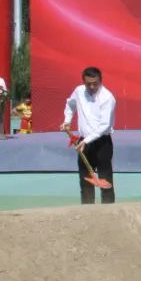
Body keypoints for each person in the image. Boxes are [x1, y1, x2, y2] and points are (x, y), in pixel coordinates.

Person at [60, 67, 116, 204]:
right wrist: (67, 121)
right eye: (88, 84)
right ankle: (87, 210)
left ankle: (108, 211)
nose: (92, 87)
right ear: (83, 82)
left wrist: (87, 140)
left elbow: (104, 125)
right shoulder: (79, 91)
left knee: (105, 179)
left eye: (95, 84)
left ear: (100, 81)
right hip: (83, 142)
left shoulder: (107, 98)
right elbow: (70, 105)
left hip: (102, 143)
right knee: (85, 180)